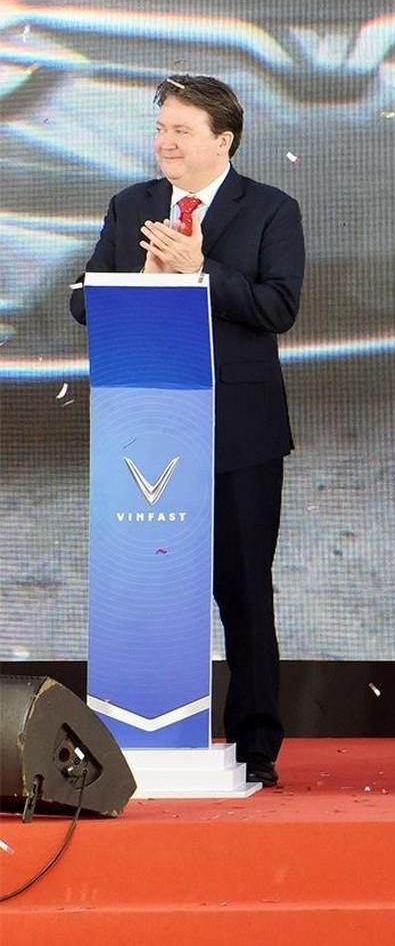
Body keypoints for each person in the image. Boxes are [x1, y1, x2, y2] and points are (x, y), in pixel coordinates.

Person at [70, 75, 305, 787]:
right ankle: (140, 730)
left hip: (239, 429)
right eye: (161, 128)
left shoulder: (270, 209)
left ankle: (255, 745)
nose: (164, 142)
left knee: (242, 587)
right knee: (144, 579)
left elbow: (278, 306)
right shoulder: (132, 205)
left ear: (222, 140)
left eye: (181, 130)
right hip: (144, 428)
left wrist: (200, 271)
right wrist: (139, 283)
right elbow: (83, 301)